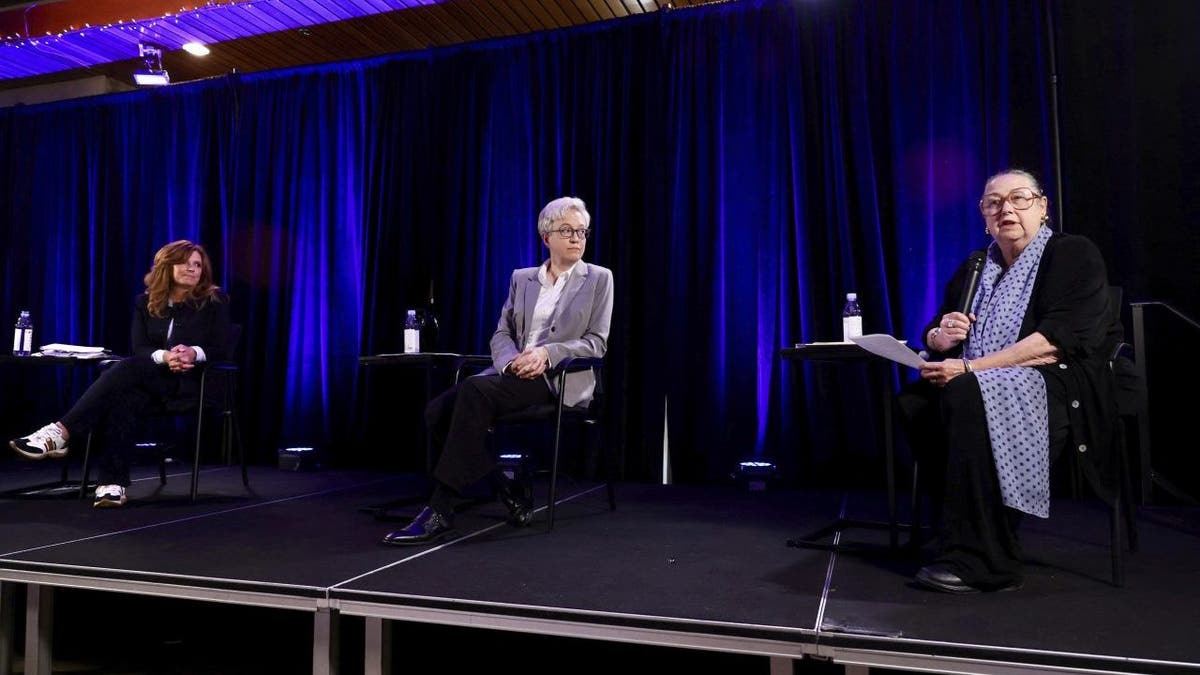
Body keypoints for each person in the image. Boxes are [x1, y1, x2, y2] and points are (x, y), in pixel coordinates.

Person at [899, 169, 1121, 593]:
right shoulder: (976, 265)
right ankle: (957, 530)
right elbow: (938, 329)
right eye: (994, 202)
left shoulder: (1071, 253)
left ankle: (987, 562)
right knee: (914, 402)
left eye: (1019, 199)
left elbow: (1059, 340)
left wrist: (971, 369)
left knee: (966, 394)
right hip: (978, 380)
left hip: (1055, 382)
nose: (1007, 210)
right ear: (984, 216)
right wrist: (940, 336)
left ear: (1042, 207)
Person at [383, 196, 614, 545]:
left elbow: (597, 342)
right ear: (545, 236)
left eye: (582, 231)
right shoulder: (522, 279)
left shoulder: (599, 278)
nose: (577, 238)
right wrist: (509, 361)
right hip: (511, 374)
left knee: (474, 393)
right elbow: (502, 332)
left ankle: (441, 509)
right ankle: (507, 487)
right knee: (436, 412)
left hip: (557, 379)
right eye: (567, 230)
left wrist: (547, 354)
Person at [9, 240, 232, 508]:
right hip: (155, 381)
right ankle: (111, 484)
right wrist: (166, 356)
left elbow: (221, 348)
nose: (192, 269)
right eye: (185, 262)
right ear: (166, 265)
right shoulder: (145, 302)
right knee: (125, 395)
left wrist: (193, 353)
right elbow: (141, 347)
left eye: (197, 264)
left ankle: (60, 433)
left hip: (195, 383)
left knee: (124, 370)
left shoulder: (214, 301)